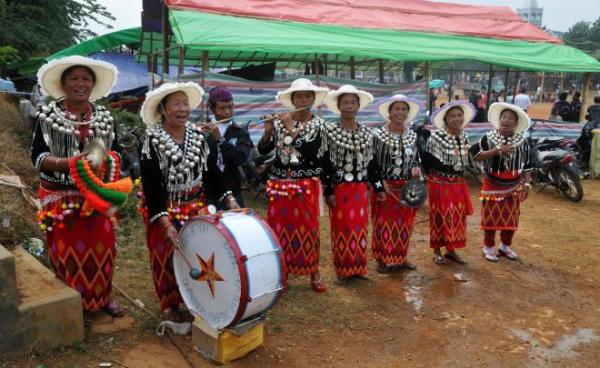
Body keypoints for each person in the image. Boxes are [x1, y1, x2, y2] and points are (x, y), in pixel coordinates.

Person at [31, 56, 125, 319]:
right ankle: (74, 303)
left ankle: (103, 297)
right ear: (63, 83)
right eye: (73, 78)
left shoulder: (105, 117)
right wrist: (67, 163)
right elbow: (37, 158)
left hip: (96, 195)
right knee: (66, 251)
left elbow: (117, 153)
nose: (80, 83)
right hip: (59, 197)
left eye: (86, 78)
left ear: (93, 84)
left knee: (104, 246)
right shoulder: (47, 116)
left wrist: (105, 161)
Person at [138, 82, 240, 321]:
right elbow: (151, 188)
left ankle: (197, 301)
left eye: (185, 103)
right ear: (163, 109)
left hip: (195, 207)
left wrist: (230, 199)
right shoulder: (151, 141)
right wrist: (165, 223)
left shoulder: (198, 136)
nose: (183, 108)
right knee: (164, 258)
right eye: (177, 104)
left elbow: (213, 173)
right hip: (163, 210)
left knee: (198, 256)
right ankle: (170, 305)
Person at [257, 78, 330, 292]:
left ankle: (313, 272)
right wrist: (269, 130)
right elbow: (263, 150)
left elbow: (310, 152)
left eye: (308, 96)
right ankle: (282, 272)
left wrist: (291, 128)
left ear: (314, 100)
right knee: (279, 230)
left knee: (309, 229)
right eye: (299, 96)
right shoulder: (279, 122)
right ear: (292, 99)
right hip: (280, 183)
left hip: (305, 183)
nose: (303, 99)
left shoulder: (319, 125)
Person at [322, 85, 385, 282]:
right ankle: (343, 270)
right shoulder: (330, 131)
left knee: (359, 227)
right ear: (339, 106)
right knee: (342, 228)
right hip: (340, 188)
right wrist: (329, 191)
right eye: (345, 103)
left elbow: (372, 162)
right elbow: (324, 162)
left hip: (360, 189)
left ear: (358, 106)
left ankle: (359, 267)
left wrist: (378, 186)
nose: (349, 106)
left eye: (352, 102)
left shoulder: (367, 133)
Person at [470, 103, 534, 262]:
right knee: (491, 218)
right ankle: (488, 247)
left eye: (510, 118)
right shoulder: (488, 137)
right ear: (499, 120)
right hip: (492, 185)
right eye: (503, 117)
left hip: (514, 187)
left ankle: (505, 247)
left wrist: (526, 184)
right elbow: (476, 155)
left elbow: (527, 164)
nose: (506, 120)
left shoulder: (522, 141)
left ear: (516, 123)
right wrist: (498, 150)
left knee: (511, 218)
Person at [371, 95, 422, 272]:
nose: (400, 112)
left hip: (406, 188)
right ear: (389, 112)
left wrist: (416, 169)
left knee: (406, 223)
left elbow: (416, 159)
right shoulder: (377, 135)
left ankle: (401, 257)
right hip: (387, 187)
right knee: (383, 223)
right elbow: (372, 162)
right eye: (396, 109)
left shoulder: (412, 136)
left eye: (403, 109)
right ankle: (382, 259)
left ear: (407, 113)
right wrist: (379, 183)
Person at [421, 101, 475, 265]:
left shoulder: (464, 136)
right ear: (446, 118)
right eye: (453, 116)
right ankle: (437, 251)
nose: (457, 119)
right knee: (439, 216)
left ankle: (451, 250)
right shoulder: (436, 137)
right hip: (439, 184)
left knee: (456, 218)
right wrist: (435, 180)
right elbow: (427, 162)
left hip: (458, 184)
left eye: (459, 115)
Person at [204, 86, 253, 209]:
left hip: (234, 191)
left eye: (230, 106)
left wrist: (221, 140)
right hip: (209, 194)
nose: (227, 112)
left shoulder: (241, 132)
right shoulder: (204, 132)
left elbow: (240, 159)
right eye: (222, 108)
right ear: (212, 109)